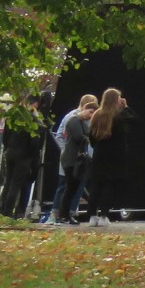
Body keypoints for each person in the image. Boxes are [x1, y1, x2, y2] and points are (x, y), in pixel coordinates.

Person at [42, 94, 96, 224]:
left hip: (82, 158)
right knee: (65, 186)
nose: (91, 115)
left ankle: (69, 213)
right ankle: (57, 214)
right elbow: (66, 136)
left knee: (76, 186)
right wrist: (64, 149)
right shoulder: (72, 118)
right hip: (71, 157)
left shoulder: (85, 120)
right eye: (91, 111)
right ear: (85, 106)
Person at [84, 88, 135, 225]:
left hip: (99, 154)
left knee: (96, 185)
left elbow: (92, 137)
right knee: (109, 186)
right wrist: (126, 107)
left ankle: (92, 216)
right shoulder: (119, 116)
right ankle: (104, 215)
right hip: (115, 156)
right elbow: (135, 120)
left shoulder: (97, 115)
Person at [0, 99, 44, 219]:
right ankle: (9, 211)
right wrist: (34, 158)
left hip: (11, 151)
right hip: (24, 155)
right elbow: (35, 142)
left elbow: (5, 137)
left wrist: (8, 147)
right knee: (16, 184)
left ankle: (2, 210)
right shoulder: (33, 121)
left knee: (8, 181)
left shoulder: (12, 118)